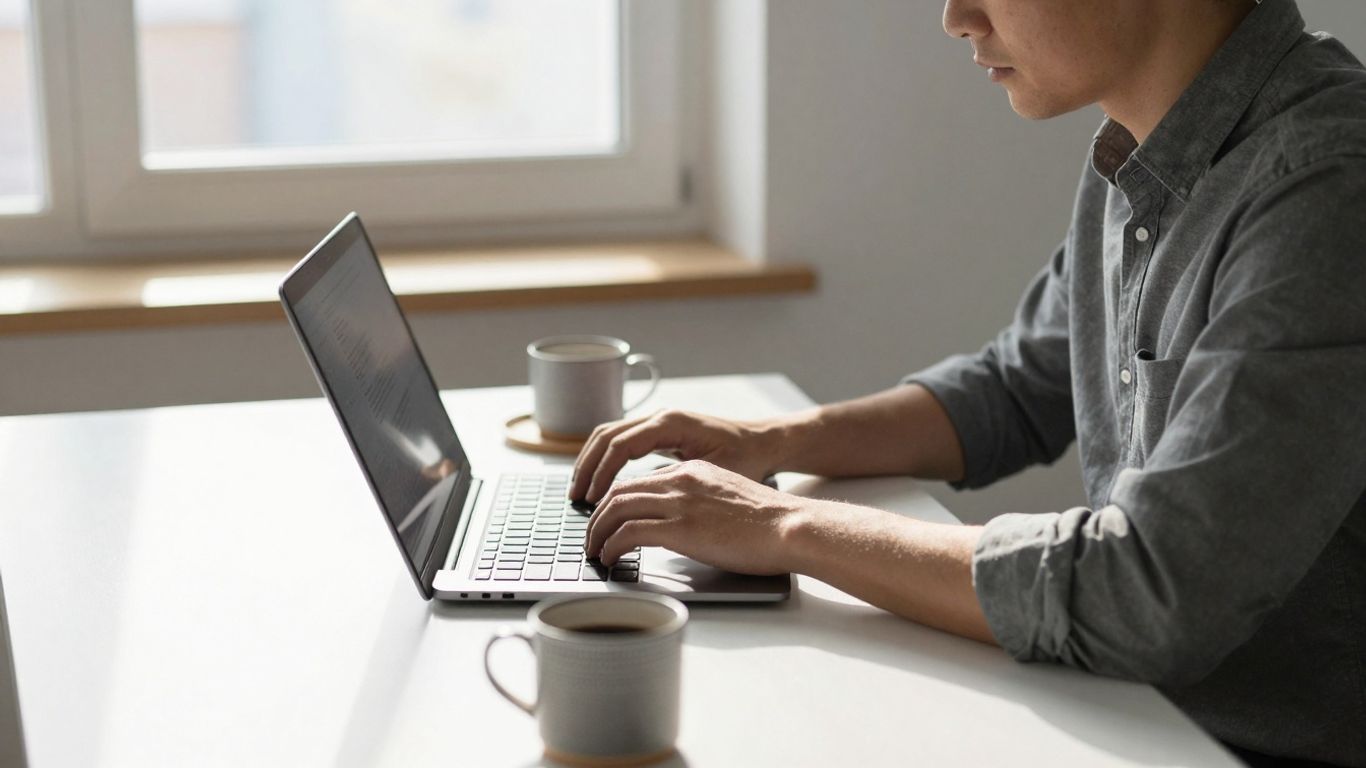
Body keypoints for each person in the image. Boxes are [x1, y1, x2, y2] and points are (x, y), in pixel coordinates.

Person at [569, 0, 1366, 765]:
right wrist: (772, 440)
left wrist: (781, 525)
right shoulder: (1139, 152)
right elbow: (1015, 389)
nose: (955, 18)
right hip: (1136, 718)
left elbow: (1152, 589)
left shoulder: (1326, 187)